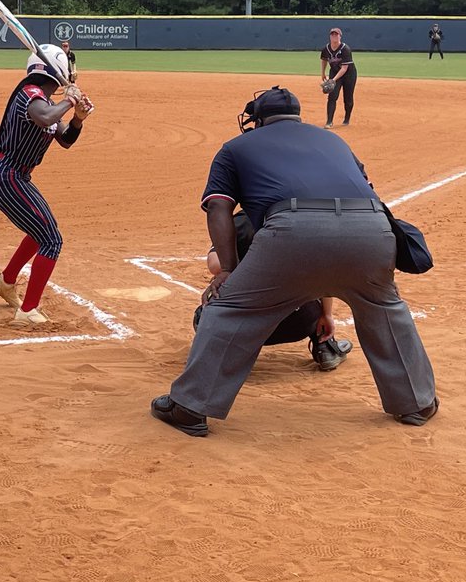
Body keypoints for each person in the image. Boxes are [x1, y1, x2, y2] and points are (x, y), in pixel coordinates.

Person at [150, 86, 438, 437]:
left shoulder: (236, 147)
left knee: (231, 309)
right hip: (372, 229)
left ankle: (190, 407)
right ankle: (418, 403)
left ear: (257, 120)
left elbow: (219, 207)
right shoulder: (334, 142)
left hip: (293, 231)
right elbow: (368, 193)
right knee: (385, 309)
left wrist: (227, 269)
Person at [0, 44, 93, 327]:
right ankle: (28, 310)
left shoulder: (43, 99)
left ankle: (5, 281)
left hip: (14, 175)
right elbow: (44, 116)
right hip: (4, 173)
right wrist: (67, 102)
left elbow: (65, 139)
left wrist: (77, 118)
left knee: (43, 230)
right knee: (51, 239)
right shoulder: (30, 94)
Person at [194, 211, 354, 372]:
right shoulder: (302, 220)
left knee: (205, 311)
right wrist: (326, 315)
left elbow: (214, 265)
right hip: (300, 323)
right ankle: (325, 347)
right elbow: (323, 275)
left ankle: (223, 352)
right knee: (312, 284)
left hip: (245, 326)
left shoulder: (241, 221)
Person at [320, 27, 357, 128]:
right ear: (330, 36)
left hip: (349, 74)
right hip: (335, 71)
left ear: (340, 36)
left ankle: (347, 118)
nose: (334, 36)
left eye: (336, 34)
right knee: (332, 96)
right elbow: (324, 60)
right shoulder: (326, 49)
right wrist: (323, 73)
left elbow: (344, 68)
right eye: (332, 34)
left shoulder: (345, 49)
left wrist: (333, 80)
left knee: (348, 98)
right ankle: (329, 121)